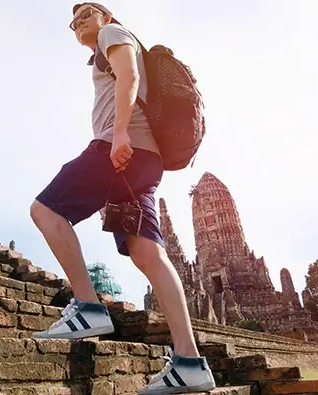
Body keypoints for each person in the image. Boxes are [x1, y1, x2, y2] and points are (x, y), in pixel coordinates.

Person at [29, 2, 216, 394]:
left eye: (87, 13)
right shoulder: (104, 44)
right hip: (145, 162)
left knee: (46, 210)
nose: (78, 21)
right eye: (73, 20)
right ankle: (189, 362)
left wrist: (119, 134)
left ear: (107, 16)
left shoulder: (112, 34)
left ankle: (88, 306)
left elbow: (129, 74)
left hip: (119, 151)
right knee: (149, 254)